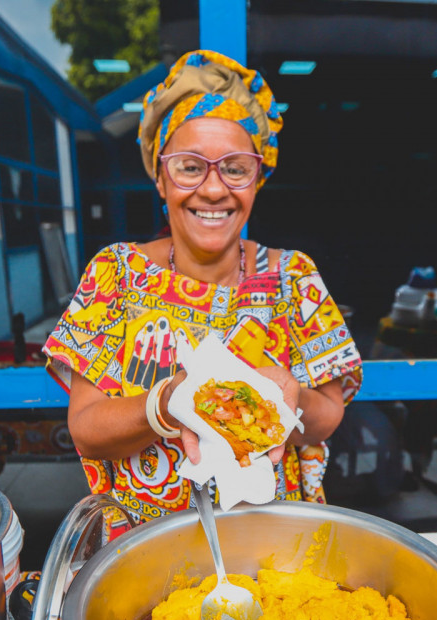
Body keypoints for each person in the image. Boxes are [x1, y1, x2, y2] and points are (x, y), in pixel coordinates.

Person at [43, 50, 363, 524]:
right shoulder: (117, 274)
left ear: (257, 179)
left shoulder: (293, 278)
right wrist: (166, 403)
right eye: (190, 166)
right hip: (143, 552)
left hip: (275, 545)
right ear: (160, 178)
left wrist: (286, 399)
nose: (214, 189)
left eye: (235, 168)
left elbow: (328, 415)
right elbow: (86, 428)